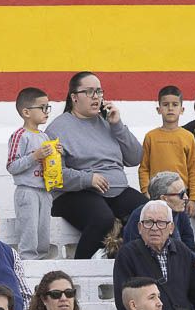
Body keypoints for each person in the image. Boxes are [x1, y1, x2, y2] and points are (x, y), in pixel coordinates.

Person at [45, 71, 147, 260]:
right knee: (102, 219)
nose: (96, 97)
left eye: (99, 92)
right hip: (75, 194)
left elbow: (135, 157)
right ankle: (79, 270)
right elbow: (54, 175)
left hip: (116, 190)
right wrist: (87, 179)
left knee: (146, 212)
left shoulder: (108, 122)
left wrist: (117, 125)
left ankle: (126, 264)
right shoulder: (58, 129)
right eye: (90, 92)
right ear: (74, 97)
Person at [6, 86, 56, 260]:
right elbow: (12, 165)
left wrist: (56, 153)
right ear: (26, 112)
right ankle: (28, 267)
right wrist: (35, 156)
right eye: (42, 107)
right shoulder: (20, 135)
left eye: (47, 107)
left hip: (44, 191)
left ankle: (41, 270)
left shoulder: (44, 136)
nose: (46, 111)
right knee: (29, 234)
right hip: (27, 191)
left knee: (43, 237)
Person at [138, 86, 195, 215]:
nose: (170, 108)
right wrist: (145, 191)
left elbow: (193, 169)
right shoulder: (151, 136)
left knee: (179, 230)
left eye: (175, 104)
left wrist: (193, 199)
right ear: (159, 109)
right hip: (156, 195)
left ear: (182, 109)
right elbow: (144, 168)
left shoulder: (188, 137)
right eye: (166, 104)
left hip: (180, 196)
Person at [120, 171, 195, 254]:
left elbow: (190, 248)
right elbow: (136, 255)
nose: (186, 197)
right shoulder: (141, 216)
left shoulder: (181, 213)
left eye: (186, 192)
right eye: (181, 194)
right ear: (164, 198)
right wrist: (189, 262)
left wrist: (194, 262)